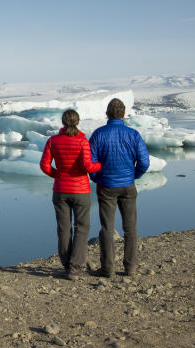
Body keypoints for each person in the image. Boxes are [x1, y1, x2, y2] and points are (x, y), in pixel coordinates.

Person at [88, 98, 150, 278]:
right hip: (127, 185)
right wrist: (134, 175)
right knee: (130, 228)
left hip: (106, 186)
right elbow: (144, 162)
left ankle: (108, 269)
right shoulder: (133, 134)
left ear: (107, 113)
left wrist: (97, 178)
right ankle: (130, 268)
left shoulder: (99, 134)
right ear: (123, 114)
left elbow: (90, 162)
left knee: (107, 227)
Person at [39, 109, 101, 280]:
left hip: (60, 190)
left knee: (64, 228)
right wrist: (99, 166)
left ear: (63, 122)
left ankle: (67, 265)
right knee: (82, 227)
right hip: (80, 190)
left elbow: (44, 165)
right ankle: (76, 266)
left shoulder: (53, 141)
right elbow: (88, 166)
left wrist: (58, 175)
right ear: (77, 121)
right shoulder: (82, 141)